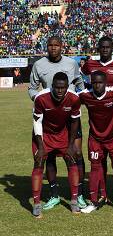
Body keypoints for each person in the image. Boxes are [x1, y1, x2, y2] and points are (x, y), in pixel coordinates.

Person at [28, 36, 86, 210]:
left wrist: (78, 98)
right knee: (50, 156)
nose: (53, 48)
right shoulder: (39, 65)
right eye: (50, 45)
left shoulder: (71, 63)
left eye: (56, 45)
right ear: (47, 47)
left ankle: (79, 194)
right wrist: (39, 99)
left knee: (76, 153)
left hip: (70, 116)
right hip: (49, 116)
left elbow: (79, 81)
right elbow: (32, 87)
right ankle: (54, 195)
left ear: (62, 47)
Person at [80, 36, 113, 203]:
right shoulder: (90, 65)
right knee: (99, 160)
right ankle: (102, 194)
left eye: (107, 47)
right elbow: (79, 78)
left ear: (112, 48)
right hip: (101, 116)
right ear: (98, 48)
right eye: (102, 47)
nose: (104, 49)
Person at [31, 72, 81, 218]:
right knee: (39, 162)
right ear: (52, 86)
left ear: (67, 87)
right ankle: (37, 204)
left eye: (63, 88)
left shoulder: (74, 98)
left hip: (62, 134)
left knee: (72, 160)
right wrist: (40, 147)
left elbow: (74, 122)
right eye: (57, 87)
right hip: (43, 134)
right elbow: (37, 122)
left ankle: (73, 201)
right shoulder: (41, 98)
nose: (60, 91)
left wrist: (71, 145)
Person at [78, 71, 113, 214]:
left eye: (100, 82)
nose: (97, 85)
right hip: (95, 139)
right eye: (94, 82)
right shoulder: (85, 95)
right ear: (90, 82)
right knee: (94, 168)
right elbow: (70, 99)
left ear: (106, 83)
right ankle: (94, 201)